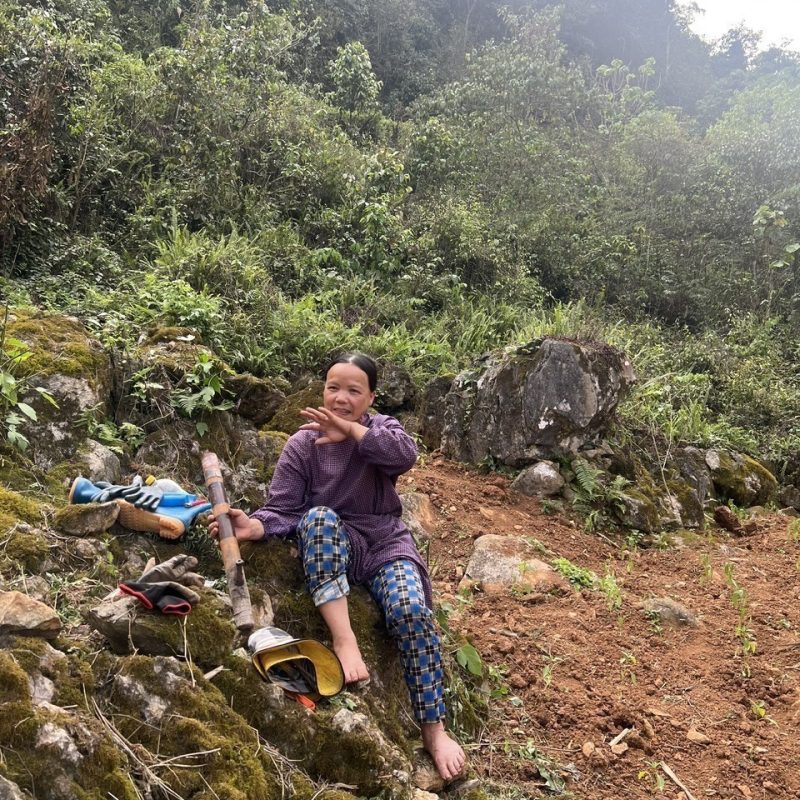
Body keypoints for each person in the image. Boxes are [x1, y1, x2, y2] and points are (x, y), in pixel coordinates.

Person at [208, 352, 466, 781]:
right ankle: (344, 641)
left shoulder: (384, 430)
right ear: (322, 388)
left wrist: (350, 431)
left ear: (370, 397)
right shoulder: (301, 444)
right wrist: (254, 525)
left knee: (412, 613)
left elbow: (403, 456)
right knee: (318, 517)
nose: (340, 397)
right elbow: (285, 508)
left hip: (385, 542)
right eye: (333, 387)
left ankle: (434, 730)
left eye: (353, 391)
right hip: (334, 540)